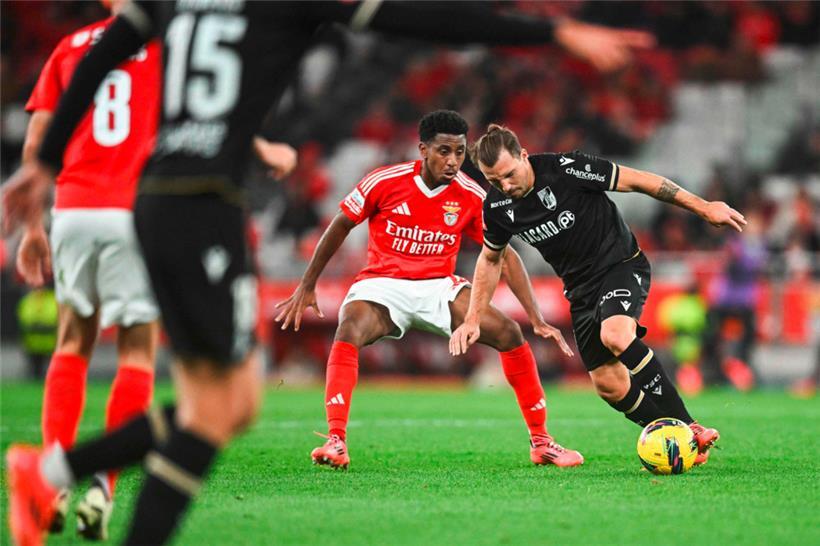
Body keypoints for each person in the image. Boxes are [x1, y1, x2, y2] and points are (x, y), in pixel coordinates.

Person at [3, 3, 653, 545]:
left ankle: (50, 468)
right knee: (223, 404)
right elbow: (421, 18)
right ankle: (50, 468)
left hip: (152, 202)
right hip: (205, 207)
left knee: (220, 406)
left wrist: (44, 161)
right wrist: (552, 31)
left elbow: (99, 56)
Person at [276, 110, 581, 470]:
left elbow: (506, 255)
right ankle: (336, 440)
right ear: (423, 149)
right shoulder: (384, 180)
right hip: (383, 284)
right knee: (350, 327)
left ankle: (542, 442)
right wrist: (307, 284)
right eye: (443, 151)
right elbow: (342, 224)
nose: (453, 161)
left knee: (509, 332)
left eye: (459, 152)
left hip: (438, 287)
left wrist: (535, 317)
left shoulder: (470, 195)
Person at [450, 124, 747, 467]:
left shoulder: (566, 169)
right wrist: (472, 317)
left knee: (615, 334)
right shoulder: (498, 207)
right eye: (494, 180)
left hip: (620, 265)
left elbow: (640, 180)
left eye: (509, 174)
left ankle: (690, 426)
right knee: (608, 385)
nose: (505, 185)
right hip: (580, 290)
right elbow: (491, 258)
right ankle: (673, 437)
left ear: (523, 156)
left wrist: (704, 207)